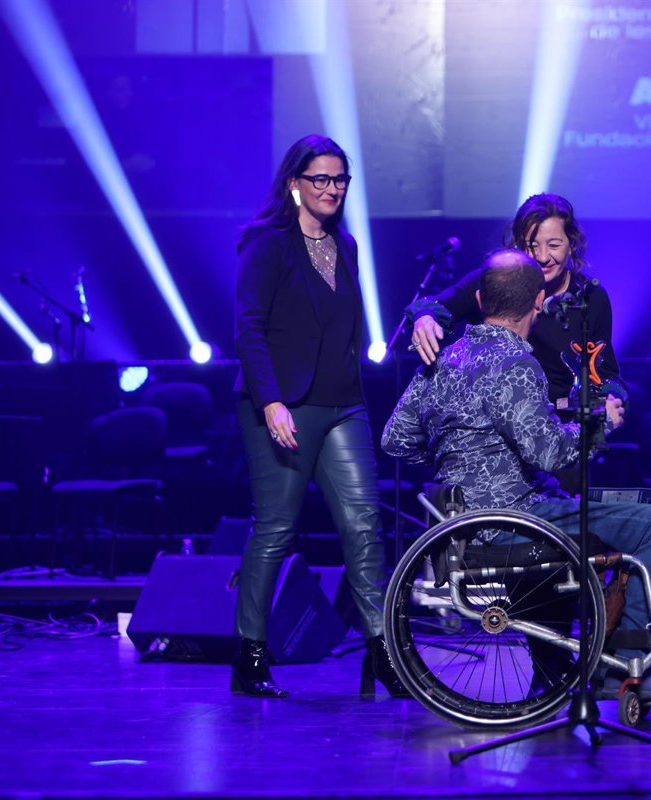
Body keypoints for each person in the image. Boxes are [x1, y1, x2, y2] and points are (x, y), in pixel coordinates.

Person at [382, 249, 651, 701]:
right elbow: (551, 453)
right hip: (511, 524)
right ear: (538, 301)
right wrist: (599, 425)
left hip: (459, 527)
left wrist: (450, 459)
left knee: (614, 507)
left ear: (480, 299)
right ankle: (628, 667)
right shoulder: (517, 364)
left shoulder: (441, 361)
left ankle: (565, 667)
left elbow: (395, 441)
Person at [231, 134, 404, 699]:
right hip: (283, 405)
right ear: (294, 184)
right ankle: (249, 655)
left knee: (364, 526)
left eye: (340, 179)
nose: (332, 188)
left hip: (343, 404)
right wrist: (270, 400)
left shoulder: (345, 245)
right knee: (275, 529)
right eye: (321, 179)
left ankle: (382, 652)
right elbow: (248, 328)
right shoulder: (267, 244)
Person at [407, 193, 627, 410]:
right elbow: (433, 305)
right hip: (492, 418)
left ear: (571, 244)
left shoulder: (591, 297)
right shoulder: (496, 279)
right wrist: (424, 317)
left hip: (561, 421)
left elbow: (606, 373)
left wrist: (610, 399)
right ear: (519, 244)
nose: (542, 257)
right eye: (532, 245)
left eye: (553, 245)